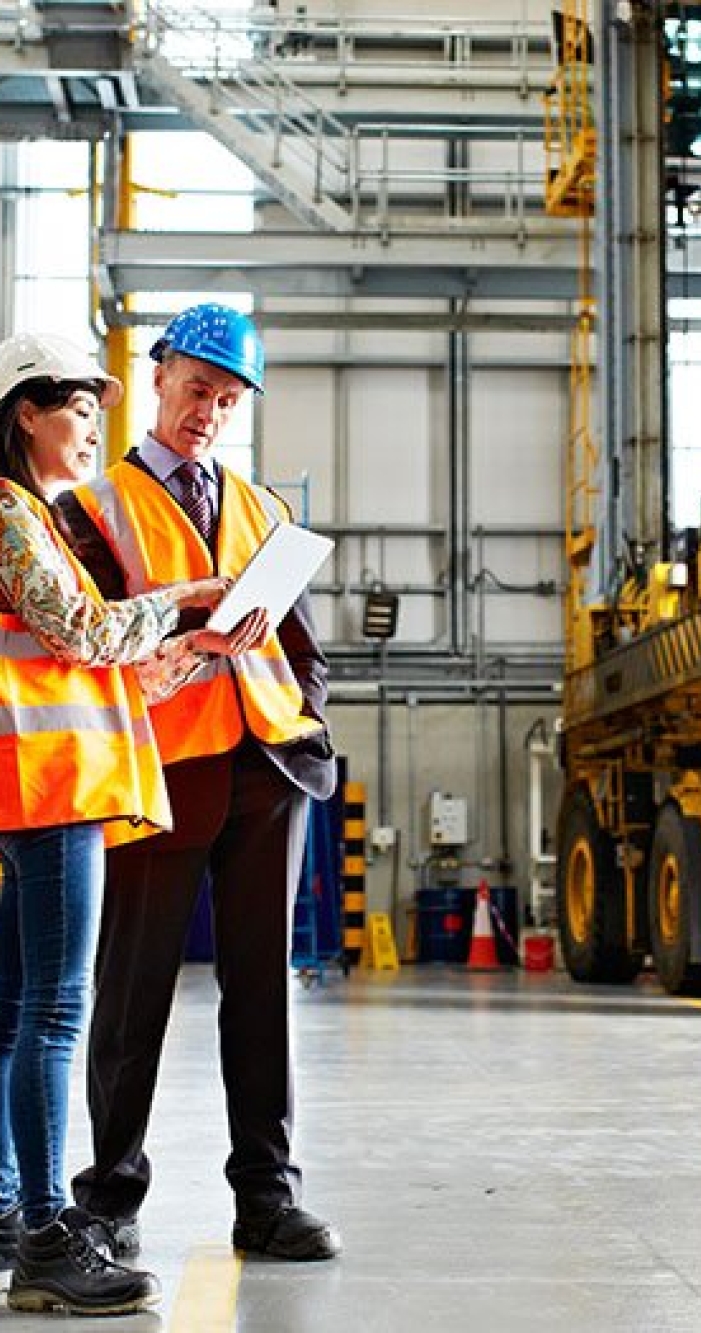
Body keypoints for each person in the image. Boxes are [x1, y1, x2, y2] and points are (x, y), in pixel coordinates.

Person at [56, 303, 340, 1263]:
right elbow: (88, 649)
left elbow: (304, 646)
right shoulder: (91, 510)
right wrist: (188, 640)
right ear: (159, 374)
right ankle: (108, 1199)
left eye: (228, 398)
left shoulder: (265, 509)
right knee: (132, 989)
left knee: (264, 990)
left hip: (267, 767)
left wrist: (309, 716)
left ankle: (267, 1197)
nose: (208, 412)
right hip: (161, 770)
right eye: (196, 389)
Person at [0, 331, 260, 1315]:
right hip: (52, 783)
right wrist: (186, 601)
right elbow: (85, 631)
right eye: (76, 408)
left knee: (18, 1007)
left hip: (39, 779)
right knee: (53, 1012)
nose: (90, 426)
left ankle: (10, 1212)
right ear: (26, 409)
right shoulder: (14, 516)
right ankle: (40, 1237)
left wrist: (180, 638)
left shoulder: (34, 516)